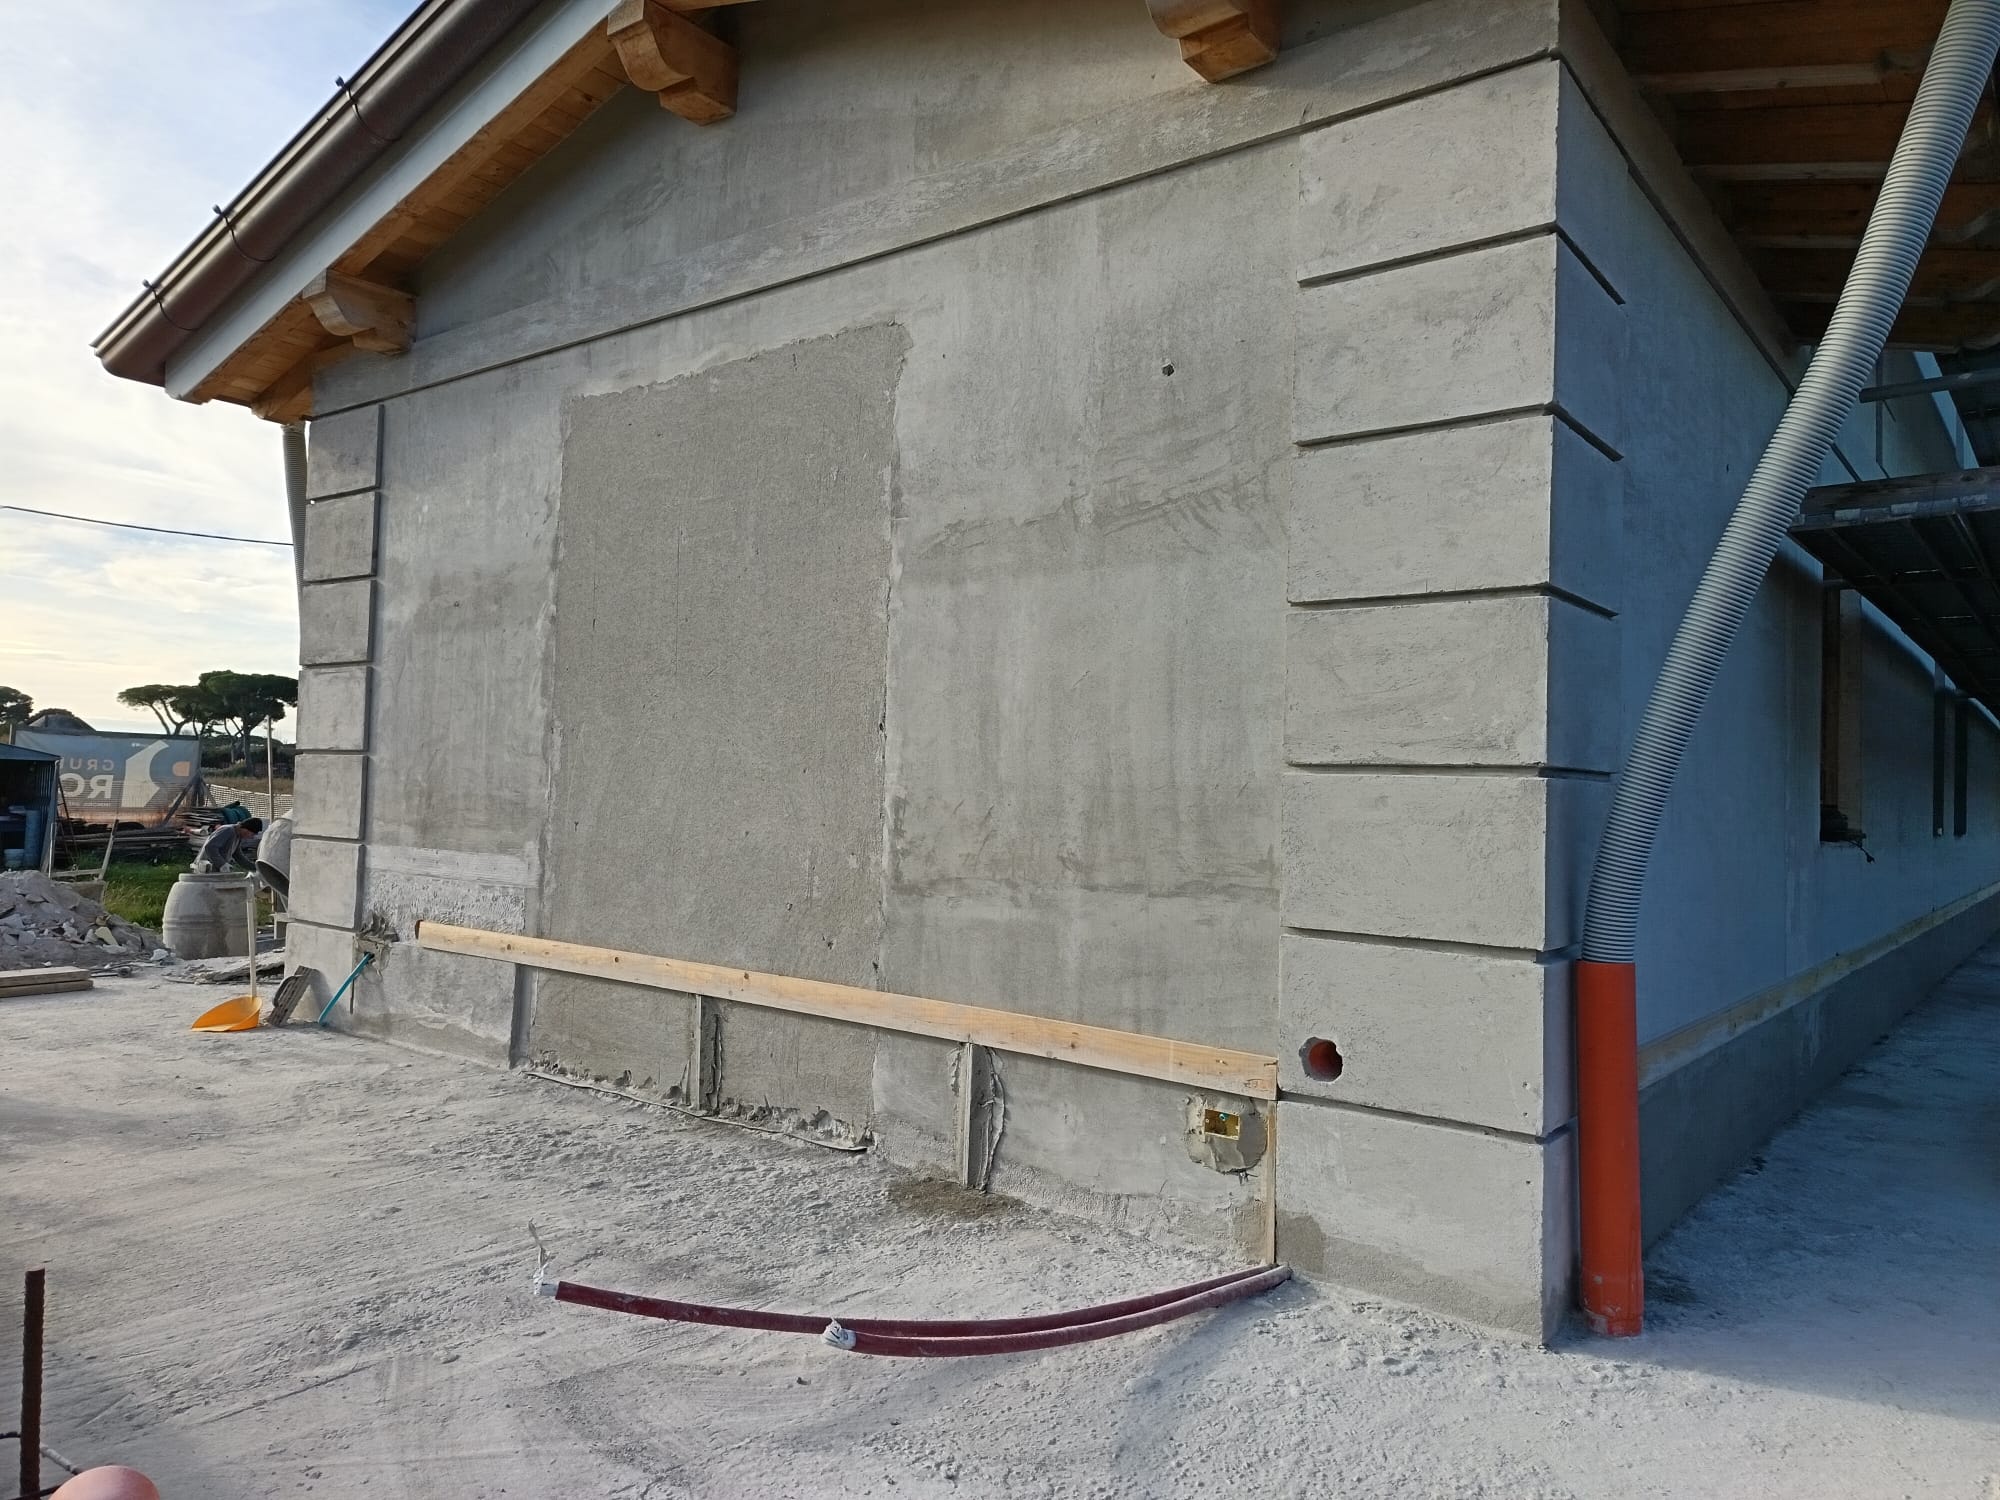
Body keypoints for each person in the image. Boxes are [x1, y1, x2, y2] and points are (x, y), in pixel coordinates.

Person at [193, 817, 262, 874]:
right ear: (246, 829)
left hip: (217, 868)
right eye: (252, 834)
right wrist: (222, 864)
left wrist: (255, 867)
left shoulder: (238, 836)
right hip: (205, 867)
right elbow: (210, 847)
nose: (251, 837)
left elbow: (238, 855)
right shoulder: (228, 830)